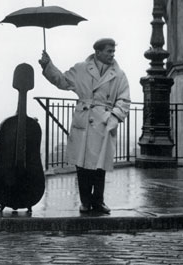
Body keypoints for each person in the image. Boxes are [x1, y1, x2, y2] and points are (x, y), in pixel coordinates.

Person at [39, 38, 130, 214]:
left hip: (104, 123)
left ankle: (99, 202)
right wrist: (47, 65)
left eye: (113, 51)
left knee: (100, 165)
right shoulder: (81, 69)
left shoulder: (119, 75)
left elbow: (124, 99)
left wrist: (113, 117)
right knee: (82, 165)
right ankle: (85, 202)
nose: (112, 54)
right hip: (84, 120)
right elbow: (62, 81)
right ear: (97, 52)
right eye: (109, 51)